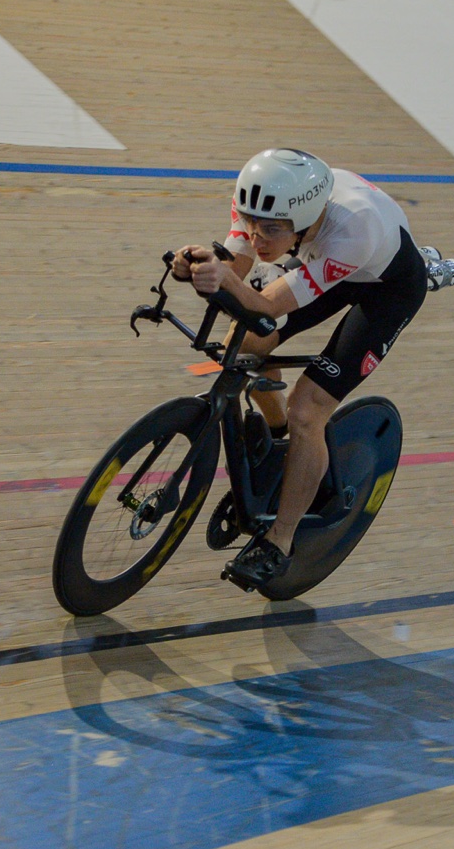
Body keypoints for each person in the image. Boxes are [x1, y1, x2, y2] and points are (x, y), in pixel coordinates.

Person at [172, 147, 439, 591]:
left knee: (307, 408)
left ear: (303, 217)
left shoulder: (352, 232)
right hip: (324, 258)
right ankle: (278, 446)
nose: (257, 237)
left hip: (385, 287)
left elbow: (267, 301)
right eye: (251, 224)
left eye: (269, 231)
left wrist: (223, 280)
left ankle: (279, 542)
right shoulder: (265, 201)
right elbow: (241, 265)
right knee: (248, 344)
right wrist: (201, 267)